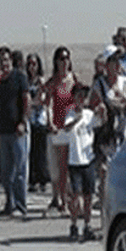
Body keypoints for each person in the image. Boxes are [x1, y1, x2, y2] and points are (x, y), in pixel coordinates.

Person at [90, 48, 126, 214]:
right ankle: (104, 212)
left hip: (121, 133)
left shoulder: (124, 82)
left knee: (122, 175)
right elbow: (93, 103)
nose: (117, 65)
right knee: (104, 173)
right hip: (106, 134)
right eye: (113, 62)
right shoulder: (99, 84)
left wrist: (122, 97)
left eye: (119, 62)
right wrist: (100, 107)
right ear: (107, 64)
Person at [63, 83, 104, 242]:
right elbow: (66, 128)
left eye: (84, 96)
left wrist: (102, 111)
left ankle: (87, 225)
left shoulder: (89, 114)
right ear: (74, 97)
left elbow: (100, 122)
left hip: (88, 160)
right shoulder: (70, 113)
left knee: (88, 196)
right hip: (75, 161)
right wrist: (76, 120)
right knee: (76, 197)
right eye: (79, 95)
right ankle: (73, 224)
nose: (81, 99)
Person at [0, 46, 30, 218]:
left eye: (7, 60)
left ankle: (21, 205)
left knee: (20, 170)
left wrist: (23, 121)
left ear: (11, 61)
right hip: (3, 131)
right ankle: (10, 203)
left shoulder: (19, 77)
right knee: (6, 172)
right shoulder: (0, 82)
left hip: (17, 131)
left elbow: (26, 100)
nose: (4, 63)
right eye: (1, 61)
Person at [42, 46, 76, 216]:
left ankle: (66, 199)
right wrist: (50, 122)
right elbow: (47, 104)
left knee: (67, 167)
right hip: (56, 129)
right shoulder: (52, 82)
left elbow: (78, 103)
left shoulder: (73, 81)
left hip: (69, 128)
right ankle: (59, 198)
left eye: (67, 58)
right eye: (61, 58)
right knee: (57, 166)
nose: (64, 62)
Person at [26, 53, 49, 192]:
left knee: (41, 152)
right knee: (31, 152)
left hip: (40, 119)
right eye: (29, 64)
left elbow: (42, 99)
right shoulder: (26, 81)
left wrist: (32, 102)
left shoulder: (41, 81)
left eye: (34, 64)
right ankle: (32, 180)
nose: (32, 67)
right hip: (30, 119)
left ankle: (43, 179)